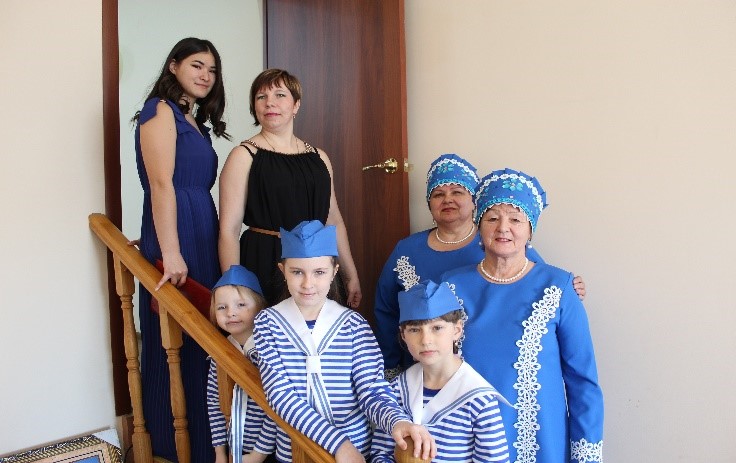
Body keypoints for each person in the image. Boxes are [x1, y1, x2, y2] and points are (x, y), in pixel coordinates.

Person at [373, 154, 586, 380]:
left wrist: (572, 288)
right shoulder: (407, 249)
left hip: (486, 364)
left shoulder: (501, 243)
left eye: (457, 192)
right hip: (420, 366)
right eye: (438, 194)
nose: (447, 200)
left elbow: (538, 282)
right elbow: (386, 309)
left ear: (474, 202)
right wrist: (390, 366)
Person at [442, 168, 604, 463]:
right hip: (463, 441)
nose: (503, 228)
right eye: (492, 218)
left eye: (515, 219)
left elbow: (583, 382)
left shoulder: (559, 287)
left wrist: (586, 454)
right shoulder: (450, 286)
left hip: (542, 441)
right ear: (479, 227)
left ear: (530, 230)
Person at [253, 220, 436, 463]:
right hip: (297, 449)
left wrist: (397, 421)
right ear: (282, 270)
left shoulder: (354, 325)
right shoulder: (268, 324)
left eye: (319, 272)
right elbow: (281, 396)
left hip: (356, 451)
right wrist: (338, 443)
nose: (308, 283)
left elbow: (371, 389)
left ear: (334, 271)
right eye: (297, 272)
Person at [133, 37, 228, 462]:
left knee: (205, 339)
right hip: (178, 237)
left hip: (200, 227)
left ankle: (208, 446)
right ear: (173, 66)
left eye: (212, 69)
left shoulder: (194, 121)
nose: (206, 75)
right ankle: (170, 448)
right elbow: (160, 185)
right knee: (175, 337)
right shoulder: (159, 110)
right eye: (196, 65)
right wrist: (169, 250)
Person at [218, 68, 361, 308]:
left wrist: (350, 274)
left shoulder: (319, 158)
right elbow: (229, 230)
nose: (269, 103)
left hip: (314, 264)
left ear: (296, 105)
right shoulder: (243, 156)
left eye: (280, 95)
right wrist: (233, 285)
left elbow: (333, 220)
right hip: (264, 261)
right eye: (261, 97)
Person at [371, 280, 510, 463]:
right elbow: (380, 453)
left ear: (457, 330)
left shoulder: (479, 399)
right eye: (414, 330)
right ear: (403, 335)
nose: (426, 340)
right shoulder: (396, 390)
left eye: (437, 328)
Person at [206, 265, 276, 463]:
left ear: (260, 307)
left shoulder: (268, 352)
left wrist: (258, 454)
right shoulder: (220, 353)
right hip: (236, 447)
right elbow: (214, 403)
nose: (231, 313)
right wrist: (220, 452)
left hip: (271, 448)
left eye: (241, 305)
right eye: (222, 307)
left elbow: (278, 407)